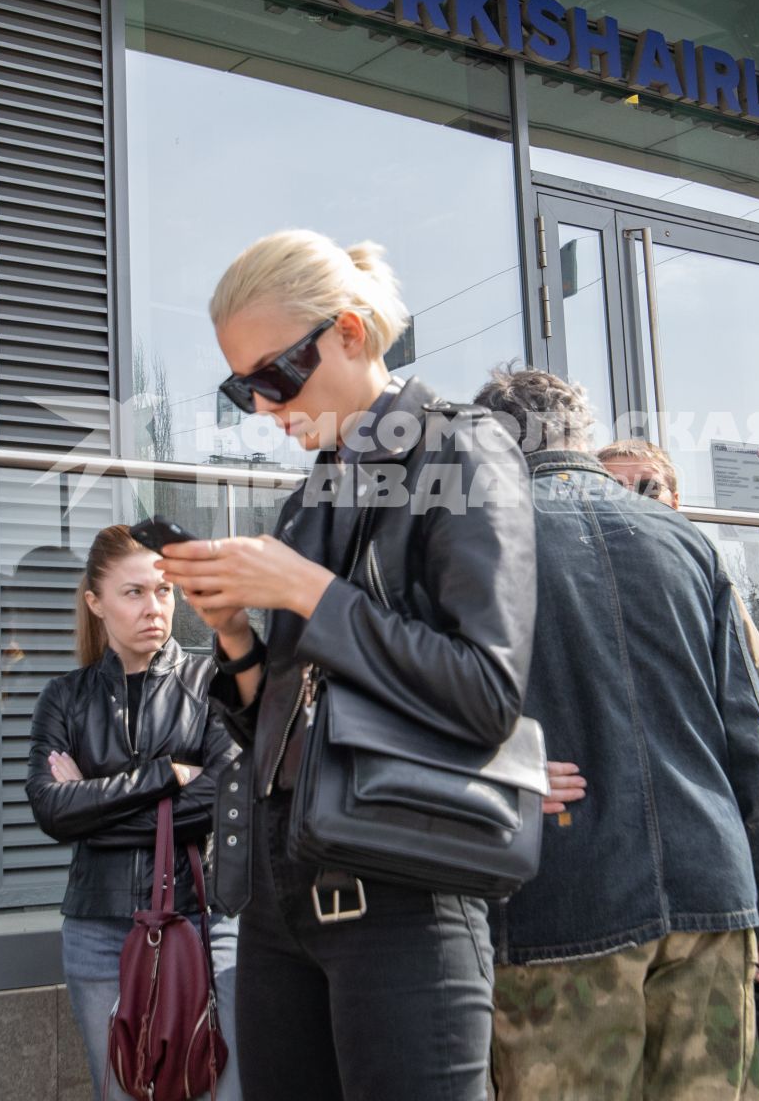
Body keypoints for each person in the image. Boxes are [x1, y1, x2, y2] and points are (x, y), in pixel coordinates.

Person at [157, 229, 535, 1101]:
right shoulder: (313, 495)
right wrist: (237, 637)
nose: (261, 405)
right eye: (240, 385)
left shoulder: (460, 449)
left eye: (275, 376)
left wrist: (306, 592)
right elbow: (280, 724)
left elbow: (486, 691)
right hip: (284, 895)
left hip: (405, 888)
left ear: (352, 334)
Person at [480, 373, 759, 1101]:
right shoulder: (687, 541)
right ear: (582, 439)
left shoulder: (482, 538)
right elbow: (753, 740)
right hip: (712, 888)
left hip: (560, 893)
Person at [25, 524, 243, 1101]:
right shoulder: (65, 697)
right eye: (134, 593)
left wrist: (93, 806)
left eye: (164, 591)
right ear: (95, 603)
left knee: (225, 1088)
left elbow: (223, 800)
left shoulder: (212, 683)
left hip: (205, 920)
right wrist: (164, 776)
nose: (155, 607)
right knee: (122, 1092)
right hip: (98, 927)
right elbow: (50, 808)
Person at [600, 436, 759, 721]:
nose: (632, 502)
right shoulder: (565, 585)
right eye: (612, 490)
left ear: (675, 503)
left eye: (648, 489)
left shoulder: (707, 581)